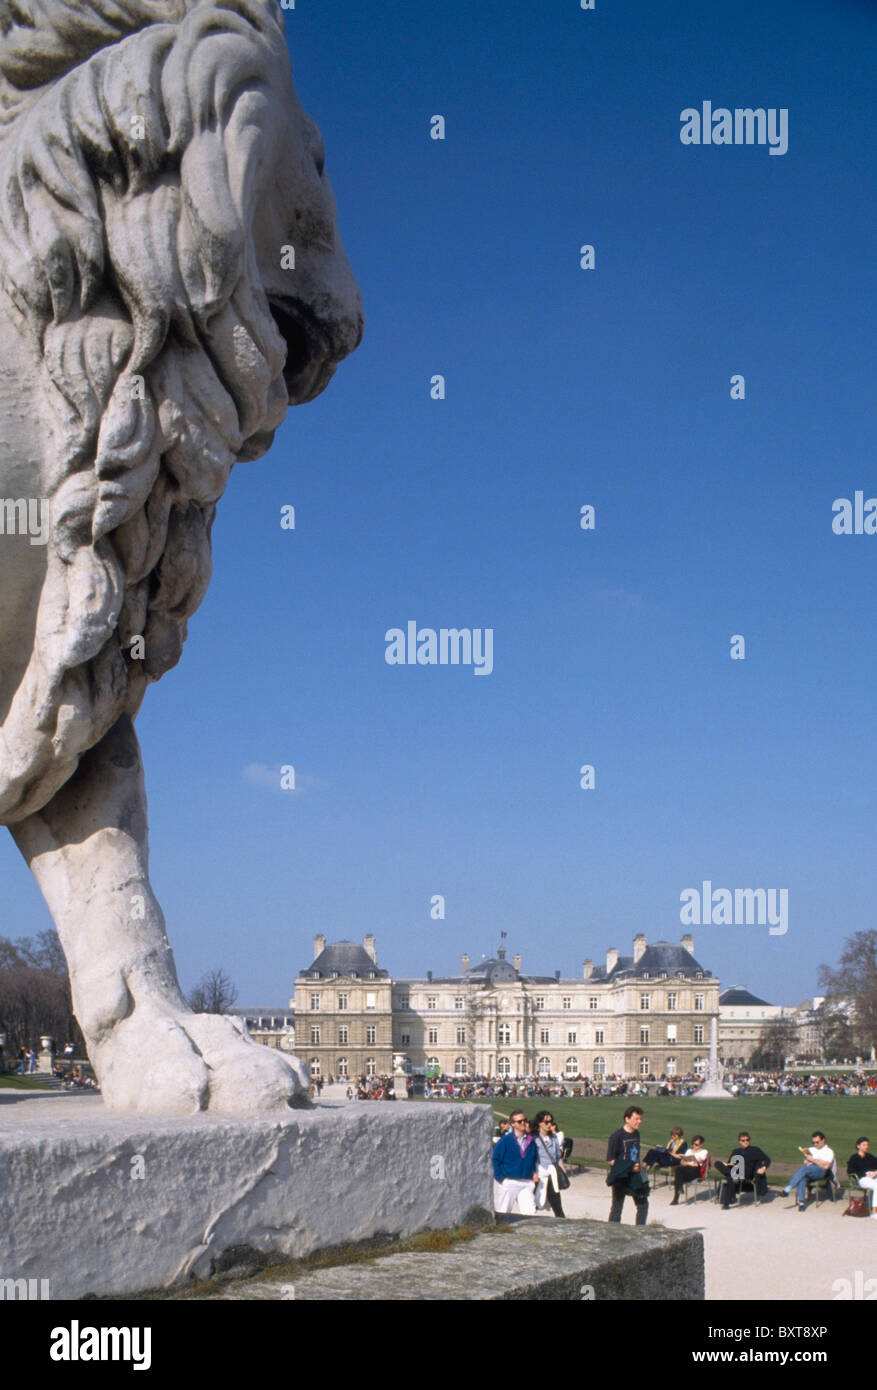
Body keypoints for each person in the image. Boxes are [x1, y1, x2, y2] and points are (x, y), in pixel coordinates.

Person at [607, 1105, 649, 1225]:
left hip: (635, 1175)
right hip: (621, 1176)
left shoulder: (637, 1134)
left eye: (640, 1119)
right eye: (636, 1119)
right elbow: (610, 1160)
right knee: (617, 1208)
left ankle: (640, 1231)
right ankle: (612, 1234)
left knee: (643, 1204)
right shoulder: (617, 1136)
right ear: (627, 1119)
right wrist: (630, 1166)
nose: (639, 1121)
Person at [492, 1109, 538, 1214]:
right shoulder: (505, 1141)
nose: (523, 1123)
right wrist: (501, 1179)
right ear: (512, 1124)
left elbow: (534, 1159)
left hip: (526, 1182)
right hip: (509, 1181)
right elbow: (495, 1160)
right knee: (503, 1213)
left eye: (525, 1120)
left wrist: (533, 1172)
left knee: (530, 1213)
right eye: (519, 1121)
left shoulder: (531, 1141)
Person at [714, 1132, 771, 1208]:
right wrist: (727, 1164)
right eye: (743, 1140)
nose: (745, 1142)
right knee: (717, 1163)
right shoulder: (736, 1151)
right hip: (734, 1171)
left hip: (746, 1173)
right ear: (739, 1142)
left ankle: (726, 1203)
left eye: (747, 1140)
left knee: (730, 1177)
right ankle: (726, 1202)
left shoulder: (755, 1150)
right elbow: (730, 1163)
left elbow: (767, 1159)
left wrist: (764, 1168)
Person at [782, 1131, 836, 1211]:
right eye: (813, 1142)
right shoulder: (811, 1149)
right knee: (802, 1178)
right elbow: (806, 1162)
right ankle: (801, 1203)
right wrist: (817, 1161)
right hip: (809, 1170)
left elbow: (826, 1167)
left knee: (804, 1170)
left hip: (820, 1172)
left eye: (817, 1142)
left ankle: (788, 1187)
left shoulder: (829, 1151)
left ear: (823, 1140)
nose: (815, 1144)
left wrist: (813, 1160)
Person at [532, 1110, 567, 1218]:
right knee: (533, 1203)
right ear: (539, 1123)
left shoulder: (554, 1137)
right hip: (538, 1175)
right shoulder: (534, 1138)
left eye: (550, 1122)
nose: (549, 1124)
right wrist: (533, 1173)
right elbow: (531, 1158)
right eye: (546, 1122)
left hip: (552, 1175)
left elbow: (557, 1156)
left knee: (557, 1205)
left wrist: (561, 1165)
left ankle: (562, 1225)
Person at [669, 1136, 708, 1205]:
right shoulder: (689, 1151)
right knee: (678, 1169)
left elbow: (699, 1160)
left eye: (696, 1144)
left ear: (701, 1145)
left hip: (696, 1171)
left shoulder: (704, 1151)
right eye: (693, 1144)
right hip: (687, 1169)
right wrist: (689, 1163)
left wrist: (688, 1161)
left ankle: (676, 1196)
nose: (694, 1146)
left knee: (679, 1173)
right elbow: (682, 1162)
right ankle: (676, 1197)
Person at [846, 1136, 877, 1218]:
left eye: (867, 1145)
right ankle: (874, 1212)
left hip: (874, 1176)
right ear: (858, 1146)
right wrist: (865, 1174)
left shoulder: (870, 1157)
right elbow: (850, 1171)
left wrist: (875, 1173)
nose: (866, 1147)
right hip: (862, 1179)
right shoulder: (854, 1158)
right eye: (863, 1145)